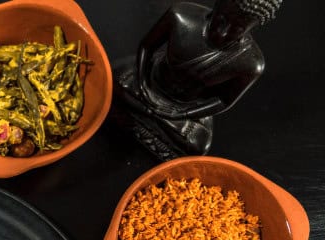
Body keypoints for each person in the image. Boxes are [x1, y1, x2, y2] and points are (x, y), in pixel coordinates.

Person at [114, 0, 282, 159]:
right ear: (217, 5)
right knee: (115, 80)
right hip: (151, 81)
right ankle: (145, 112)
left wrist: (182, 113)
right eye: (221, 20)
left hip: (185, 106)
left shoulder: (251, 63)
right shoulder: (181, 16)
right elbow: (146, 47)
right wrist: (143, 84)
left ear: (252, 28)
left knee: (195, 145)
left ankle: (147, 115)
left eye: (236, 29)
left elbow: (223, 101)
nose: (223, 32)